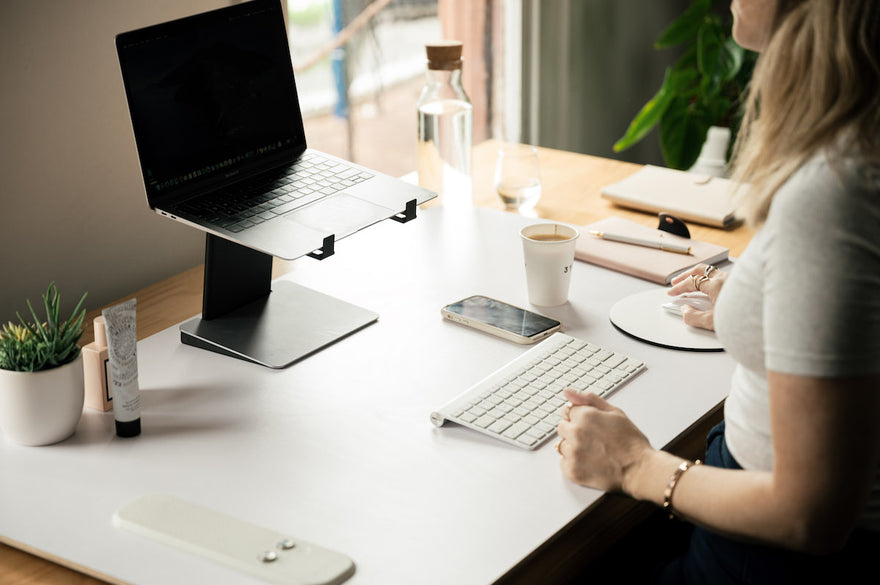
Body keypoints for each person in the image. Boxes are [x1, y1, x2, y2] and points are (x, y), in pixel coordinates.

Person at [555, 1, 880, 583]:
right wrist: (757, 301)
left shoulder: (834, 191)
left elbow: (813, 515)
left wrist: (635, 465)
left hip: (767, 555)